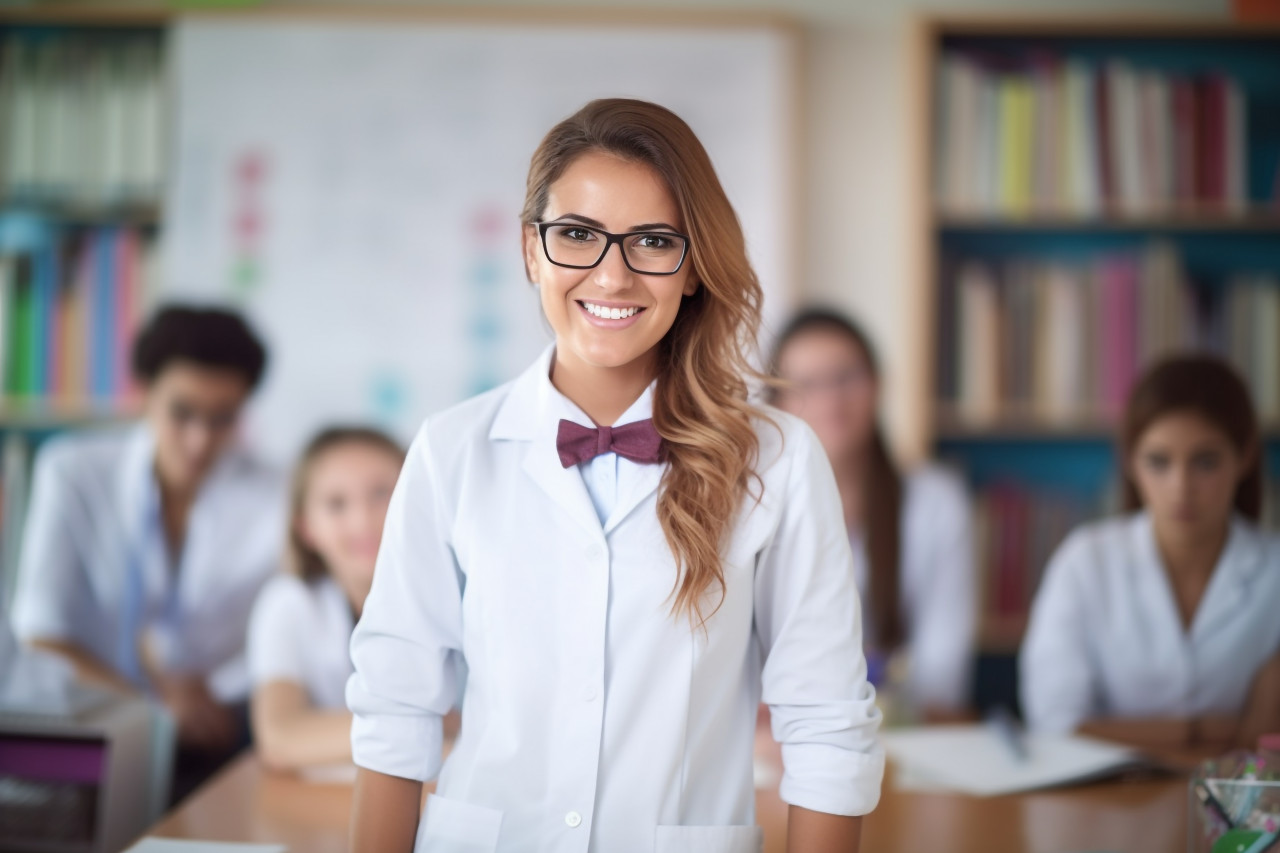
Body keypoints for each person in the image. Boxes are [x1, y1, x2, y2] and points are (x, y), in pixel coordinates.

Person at [346, 99, 884, 853]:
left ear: (693, 266)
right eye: (577, 235)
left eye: (654, 241)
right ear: (531, 250)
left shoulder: (781, 460)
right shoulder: (450, 452)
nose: (612, 274)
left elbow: (827, 725)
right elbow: (396, 710)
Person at [10, 304, 286, 802]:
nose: (200, 441)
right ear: (144, 392)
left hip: (217, 735)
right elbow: (42, 631)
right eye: (181, 412)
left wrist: (210, 697)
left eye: (223, 418)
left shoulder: (276, 493)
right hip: (88, 726)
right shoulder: (73, 472)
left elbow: (285, 625)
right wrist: (156, 703)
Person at [1020, 354, 1280, 752]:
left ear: (1244, 457)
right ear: (1130, 461)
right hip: (1104, 803)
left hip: (1243, 810)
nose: (1181, 487)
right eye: (1158, 461)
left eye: (1205, 462)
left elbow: (1266, 738)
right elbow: (1055, 725)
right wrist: (1201, 730)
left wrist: (1120, 732)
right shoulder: (1084, 563)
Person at [772, 309, 976, 717]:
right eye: (806, 384)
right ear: (777, 401)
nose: (831, 400)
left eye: (846, 378)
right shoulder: (753, 507)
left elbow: (944, 673)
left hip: (904, 737)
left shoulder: (936, 503)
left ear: (878, 384)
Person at [248, 427, 406, 771]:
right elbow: (280, 737)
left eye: (382, 493)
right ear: (307, 528)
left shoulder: (463, 595)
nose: (363, 520)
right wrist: (425, 728)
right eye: (336, 504)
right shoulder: (290, 604)